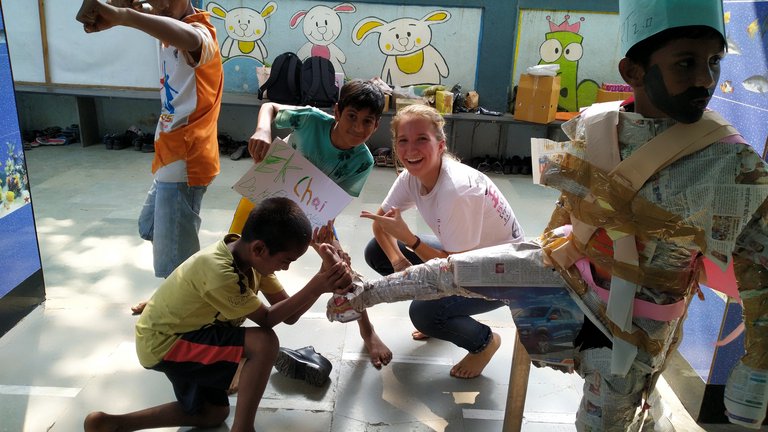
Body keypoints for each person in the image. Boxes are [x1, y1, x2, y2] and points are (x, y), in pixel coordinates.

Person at [332, 0, 768, 429]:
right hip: (564, 267)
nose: (704, 80)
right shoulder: (593, 127)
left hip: (636, 325)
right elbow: (566, 210)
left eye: (713, 62)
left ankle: (643, 412)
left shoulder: (733, 164)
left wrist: (757, 363)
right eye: (685, 63)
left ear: (441, 144)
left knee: (602, 420)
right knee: (451, 271)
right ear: (632, 71)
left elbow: (759, 266)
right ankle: (362, 296)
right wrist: (540, 265)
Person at [83, 197, 353, 432]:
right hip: (165, 342)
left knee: (213, 414)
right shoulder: (220, 271)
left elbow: (289, 313)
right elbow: (268, 319)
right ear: (259, 248)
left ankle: (113, 423)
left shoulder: (252, 258)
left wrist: (322, 280)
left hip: (190, 332)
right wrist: (319, 283)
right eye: (285, 261)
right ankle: (243, 429)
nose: (285, 268)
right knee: (264, 342)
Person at [233, 79, 393, 369]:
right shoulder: (310, 119)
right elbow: (269, 106)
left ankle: (367, 331)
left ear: (377, 125)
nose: (358, 128)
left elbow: (332, 200)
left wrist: (325, 230)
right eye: (351, 117)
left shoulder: (363, 160)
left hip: (309, 211)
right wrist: (263, 129)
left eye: (367, 121)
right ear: (336, 111)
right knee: (239, 265)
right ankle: (237, 351)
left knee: (340, 264)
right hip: (264, 198)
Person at [360, 104, 525, 379]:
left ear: (440, 145)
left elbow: (456, 270)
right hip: (464, 257)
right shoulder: (410, 177)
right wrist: (399, 261)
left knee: (423, 313)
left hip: (499, 275)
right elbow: (380, 225)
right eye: (403, 141)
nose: (411, 150)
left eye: (421, 139)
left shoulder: (457, 191)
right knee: (377, 251)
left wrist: (411, 241)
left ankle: (484, 343)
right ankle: (442, 310)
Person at [77, 0, 224, 286]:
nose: (161, 4)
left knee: (173, 264)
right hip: (169, 154)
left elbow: (190, 37)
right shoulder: (165, 26)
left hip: (187, 160)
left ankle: (182, 301)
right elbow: (160, 23)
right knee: (150, 227)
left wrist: (125, 16)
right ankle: (189, 279)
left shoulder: (202, 34)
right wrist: (123, 13)